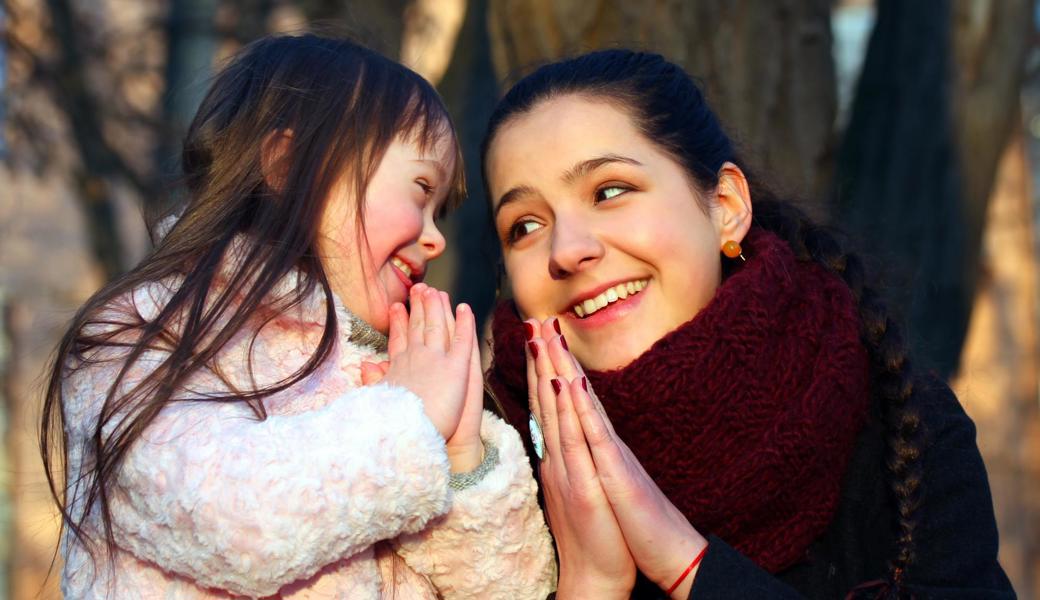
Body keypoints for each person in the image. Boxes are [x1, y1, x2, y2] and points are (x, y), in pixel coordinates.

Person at [482, 49, 1015, 599]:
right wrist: (592, 585)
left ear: (726, 206)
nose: (567, 250)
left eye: (609, 191)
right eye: (523, 226)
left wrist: (687, 566)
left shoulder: (899, 420)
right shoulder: (481, 482)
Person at [40, 33, 555, 599]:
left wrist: (462, 458)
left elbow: (516, 589)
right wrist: (406, 421)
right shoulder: (145, 334)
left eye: (440, 211)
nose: (434, 237)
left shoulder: (404, 367)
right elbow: (233, 523)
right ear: (287, 166)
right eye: (420, 190)